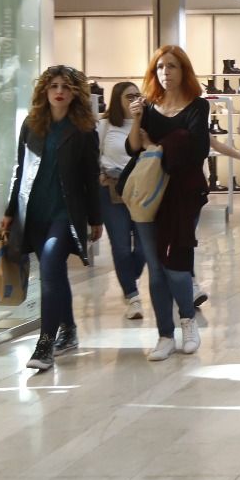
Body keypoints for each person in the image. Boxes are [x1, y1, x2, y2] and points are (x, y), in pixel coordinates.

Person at [4, 65, 102, 372]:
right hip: (34, 212)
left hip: (66, 213)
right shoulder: (31, 125)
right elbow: (20, 171)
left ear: (75, 94)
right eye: (54, 86)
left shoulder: (84, 131)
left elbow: (90, 178)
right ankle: (69, 329)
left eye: (66, 87)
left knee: (49, 266)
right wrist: (9, 212)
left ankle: (45, 343)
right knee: (55, 273)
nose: (59, 91)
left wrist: (96, 219)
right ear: (45, 90)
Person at [127, 45, 210, 361]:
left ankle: (188, 322)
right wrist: (137, 123)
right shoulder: (147, 107)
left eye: (172, 66)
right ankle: (164, 334)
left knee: (178, 264)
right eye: (160, 67)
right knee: (156, 269)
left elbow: (198, 149)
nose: (165, 72)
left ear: (183, 70)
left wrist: (158, 145)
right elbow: (134, 148)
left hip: (183, 195)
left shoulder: (197, 107)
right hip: (149, 196)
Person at [97, 80, 146, 320]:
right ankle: (132, 295)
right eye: (129, 96)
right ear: (117, 99)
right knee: (120, 245)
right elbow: (93, 153)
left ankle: (129, 275)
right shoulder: (105, 125)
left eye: (137, 95)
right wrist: (99, 174)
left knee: (144, 246)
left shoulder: (146, 123)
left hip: (141, 190)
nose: (134, 99)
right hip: (112, 190)